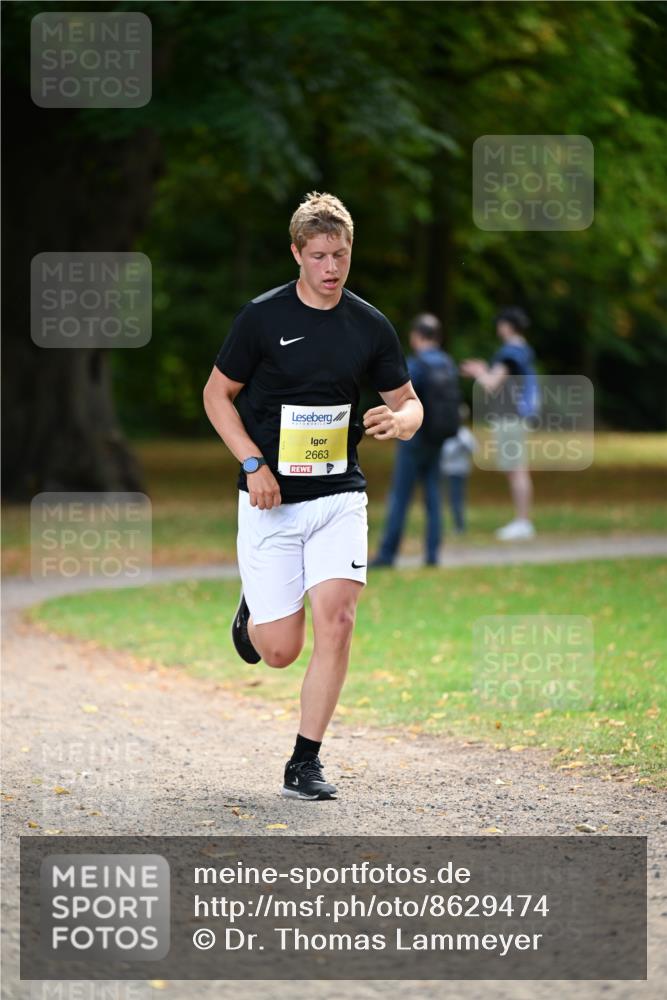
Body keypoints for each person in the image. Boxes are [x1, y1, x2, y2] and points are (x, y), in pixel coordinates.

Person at [203, 192, 422, 801]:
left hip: (339, 497)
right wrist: (252, 464)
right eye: (320, 255)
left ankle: (305, 762)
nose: (332, 267)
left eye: (341, 255)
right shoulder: (262, 319)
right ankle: (254, 615)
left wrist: (401, 422)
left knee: (339, 621)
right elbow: (216, 396)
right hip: (270, 498)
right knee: (279, 651)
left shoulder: (369, 324)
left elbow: (410, 402)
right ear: (297, 253)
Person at [370, 314, 459, 567]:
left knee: (400, 496)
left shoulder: (417, 364)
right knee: (433, 496)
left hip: (414, 440)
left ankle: (388, 554)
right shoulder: (447, 363)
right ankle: (432, 555)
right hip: (438, 439)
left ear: (416, 336)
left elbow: (404, 399)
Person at [461, 306, 538, 541]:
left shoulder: (511, 352)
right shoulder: (522, 349)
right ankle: (523, 521)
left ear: (506, 326)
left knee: (516, 470)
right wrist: (484, 369)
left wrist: (477, 372)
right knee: (517, 469)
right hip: (517, 416)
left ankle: (523, 522)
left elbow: (492, 384)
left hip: (510, 418)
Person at [440, 405, 477, 534]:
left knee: (457, 500)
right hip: (446, 471)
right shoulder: (446, 432)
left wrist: (463, 445)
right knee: (444, 499)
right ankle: (443, 525)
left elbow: (474, 448)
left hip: (459, 472)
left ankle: (459, 526)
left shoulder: (464, 434)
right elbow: (445, 452)